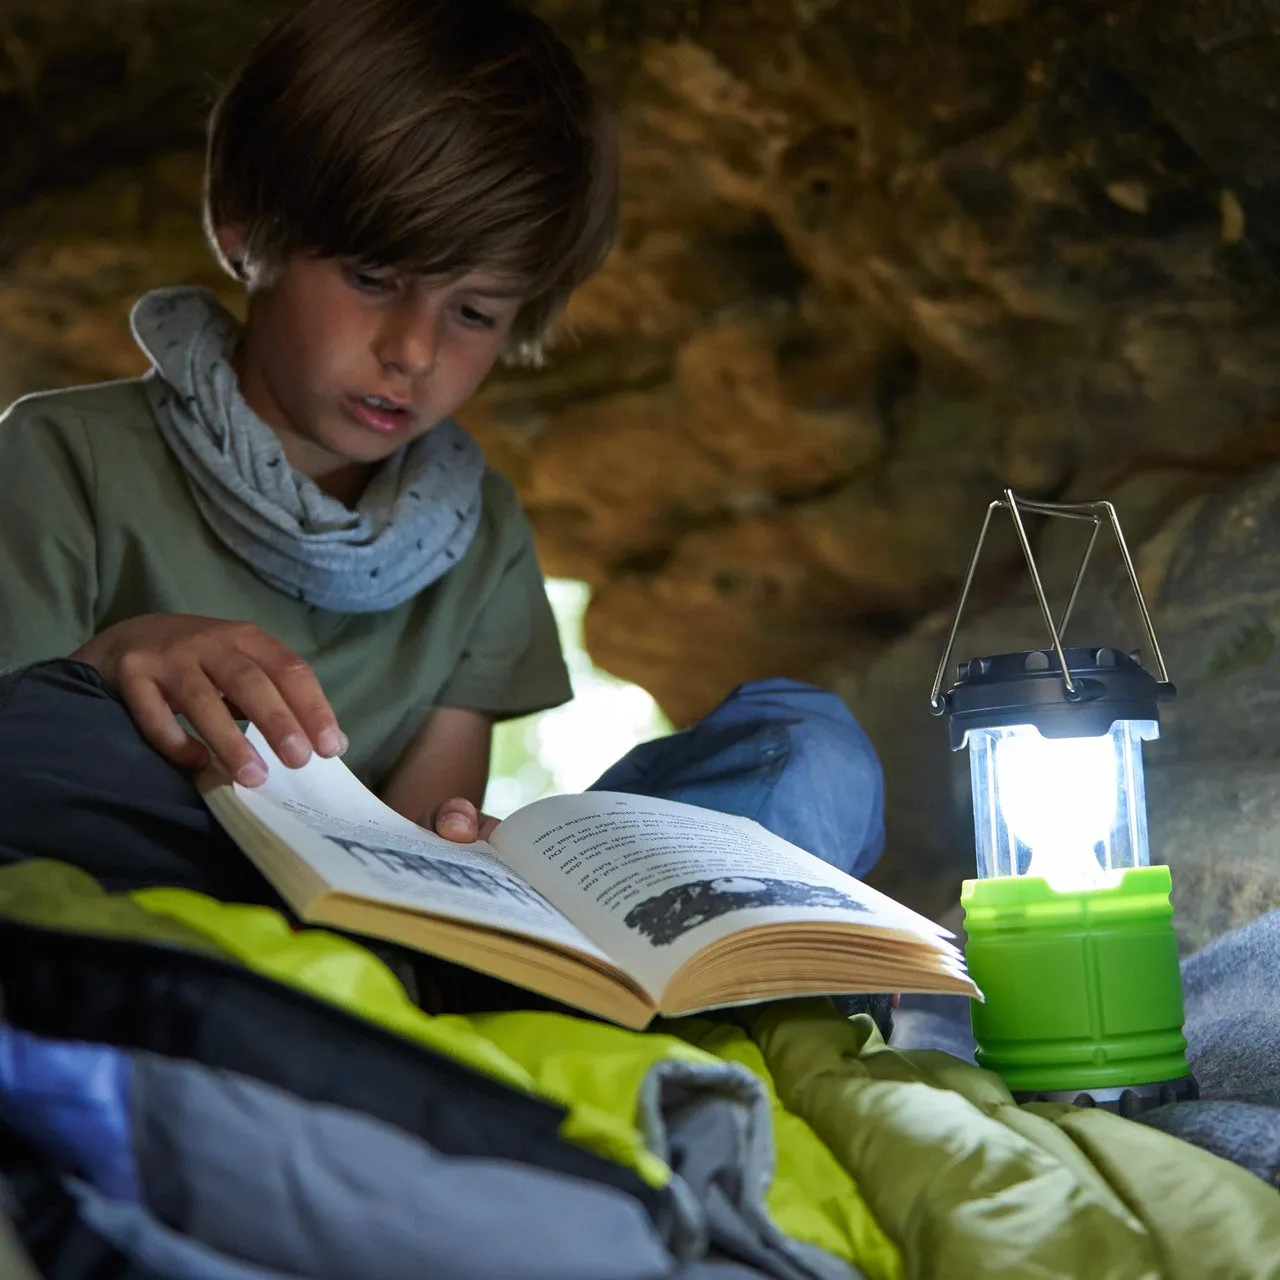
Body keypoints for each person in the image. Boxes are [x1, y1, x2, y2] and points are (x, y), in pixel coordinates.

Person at [0, 0, 616, 845]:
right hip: (102, 918)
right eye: (371, 276)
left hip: (335, 958)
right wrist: (106, 665)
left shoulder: (484, 541)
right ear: (246, 225)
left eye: (474, 312)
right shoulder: (62, 458)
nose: (413, 351)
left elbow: (422, 844)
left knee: (800, 744)